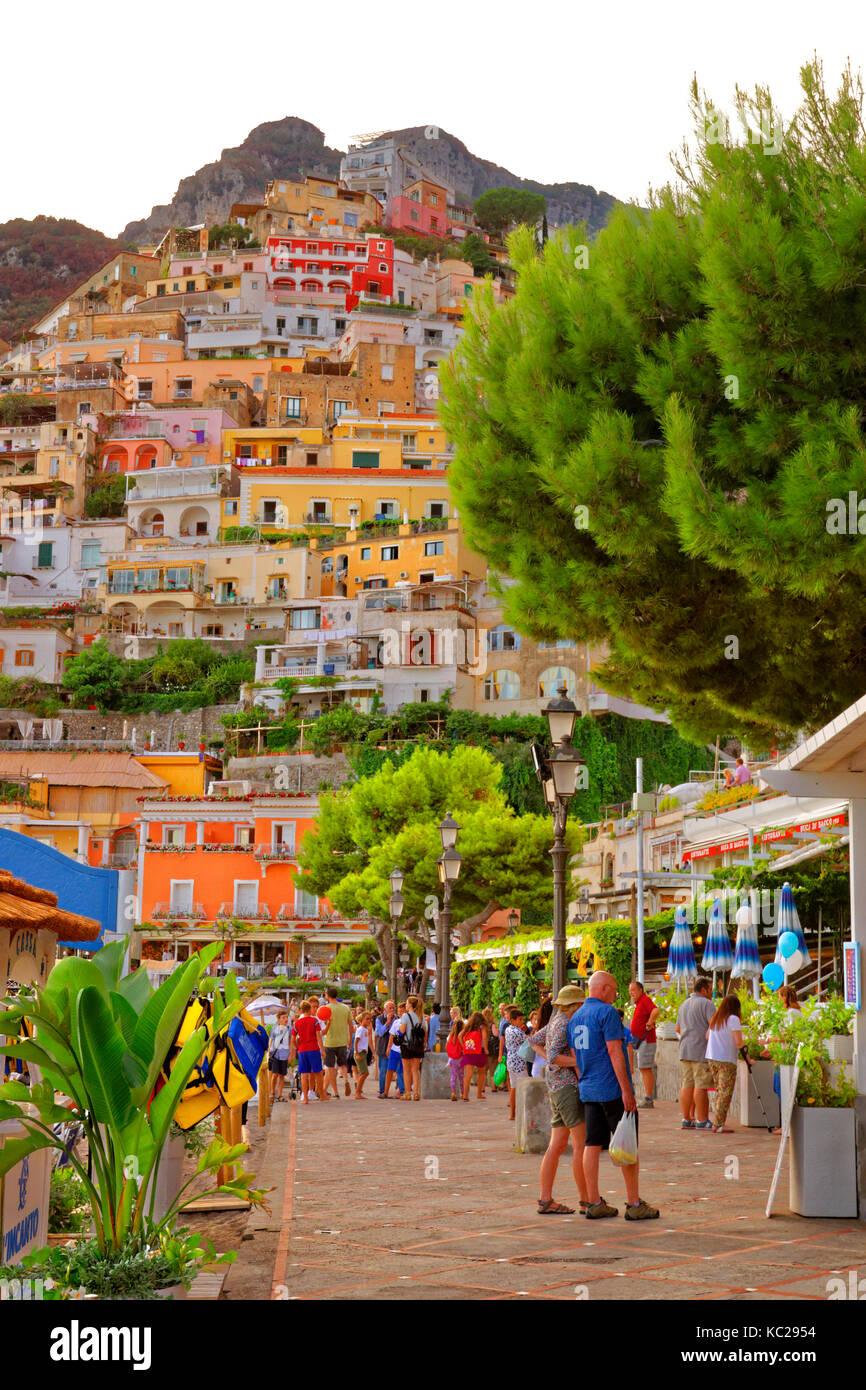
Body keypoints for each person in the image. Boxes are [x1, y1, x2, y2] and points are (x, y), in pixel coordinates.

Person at [568, 970, 659, 1221]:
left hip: (588, 1089)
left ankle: (594, 1201)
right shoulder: (606, 1013)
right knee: (628, 1142)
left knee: (592, 1144)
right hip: (611, 1089)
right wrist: (627, 1091)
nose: (616, 994)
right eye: (615, 989)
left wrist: (585, 1079)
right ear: (605, 988)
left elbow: (576, 1057)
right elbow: (615, 1052)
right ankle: (633, 1202)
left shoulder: (576, 1017)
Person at [529, 986, 590, 1214]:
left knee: (556, 1145)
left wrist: (548, 1060)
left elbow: (533, 1041)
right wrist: (578, 1062)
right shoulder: (567, 1024)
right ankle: (586, 1199)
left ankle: (546, 1199)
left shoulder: (555, 1021)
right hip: (568, 1088)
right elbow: (555, 1056)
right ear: (574, 1005)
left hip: (554, 1087)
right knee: (581, 1146)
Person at [676, 977, 715, 1130]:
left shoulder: (683, 1004)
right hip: (700, 1050)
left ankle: (686, 1119)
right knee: (701, 1085)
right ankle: (702, 1119)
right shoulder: (707, 1003)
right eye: (710, 989)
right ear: (704, 989)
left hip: (684, 1050)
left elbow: (678, 1029)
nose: (712, 992)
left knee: (687, 1084)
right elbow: (714, 1024)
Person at [705, 994, 744, 1134]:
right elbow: (739, 1042)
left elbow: (707, 1036)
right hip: (726, 1059)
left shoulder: (716, 1018)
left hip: (712, 1057)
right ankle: (718, 1124)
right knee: (725, 1092)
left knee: (719, 1091)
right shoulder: (733, 1019)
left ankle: (718, 1121)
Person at [628, 981, 659, 1108]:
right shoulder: (640, 1002)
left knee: (645, 1068)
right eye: (630, 991)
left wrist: (649, 1023)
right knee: (643, 1068)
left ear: (641, 990)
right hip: (641, 1041)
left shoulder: (645, 1000)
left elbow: (656, 1010)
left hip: (646, 1040)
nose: (631, 993)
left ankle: (648, 1098)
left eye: (634, 990)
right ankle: (648, 1097)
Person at [320, 985, 354, 1100]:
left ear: (327, 996)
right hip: (342, 1041)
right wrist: (349, 1041)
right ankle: (345, 1079)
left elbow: (324, 1026)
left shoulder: (325, 1008)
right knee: (342, 1064)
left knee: (330, 1067)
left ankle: (325, 1091)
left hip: (330, 1041)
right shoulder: (345, 1008)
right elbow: (351, 1026)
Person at [291, 1001, 326, 1104]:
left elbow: (293, 1039)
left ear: (301, 1010)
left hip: (302, 1050)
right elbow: (319, 1037)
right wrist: (323, 1050)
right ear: (310, 1009)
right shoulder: (314, 1021)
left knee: (304, 1074)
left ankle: (305, 1098)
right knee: (318, 1073)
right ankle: (321, 1095)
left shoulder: (297, 1023)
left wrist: (298, 1049)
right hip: (314, 1049)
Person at [503, 1005, 530, 1119]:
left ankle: (512, 1113)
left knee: (514, 1087)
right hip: (519, 1061)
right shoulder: (517, 1032)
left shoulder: (508, 1029)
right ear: (513, 1020)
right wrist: (527, 1031)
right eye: (519, 1020)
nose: (521, 1022)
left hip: (511, 1061)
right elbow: (530, 1040)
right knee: (525, 1087)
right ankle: (523, 1113)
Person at [397, 994, 426, 1100]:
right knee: (415, 1070)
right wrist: (424, 1043)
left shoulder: (405, 1016)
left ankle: (408, 1093)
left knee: (406, 1070)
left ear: (410, 1005)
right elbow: (424, 1032)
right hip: (418, 1046)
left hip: (407, 1045)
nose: (406, 1004)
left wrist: (398, 1034)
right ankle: (417, 1093)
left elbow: (402, 1030)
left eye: (407, 1002)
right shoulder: (421, 1016)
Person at [460, 1011, 488, 1101]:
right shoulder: (482, 1027)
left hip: (469, 1052)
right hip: (480, 1051)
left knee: (468, 1074)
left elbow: (460, 1036)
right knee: (481, 1073)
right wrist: (486, 1049)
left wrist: (464, 1046)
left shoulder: (468, 1027)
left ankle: (465, 1095)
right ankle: (479, 1094)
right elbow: (484, 1038)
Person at [267, 1009, 292, 1103]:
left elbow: (290, 1042)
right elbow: (271, 1039)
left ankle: (280, 1095)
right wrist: (269, 1051)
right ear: (278, 1019)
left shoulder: (289, 1029)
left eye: (286, 1017)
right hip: (275, 1054)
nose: (285, 1019)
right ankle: (272, 1092)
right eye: (283, 1018)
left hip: (284, 1054)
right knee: (274, 1074)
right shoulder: (274, 1028)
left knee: (282, 1075)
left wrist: (291, 1054)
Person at [383, 1004, 407, 1098]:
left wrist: (399, 1033)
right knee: (389, 1070)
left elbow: (401, 1033)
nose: (400, 1013)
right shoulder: (396, 1022)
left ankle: (402, 1090)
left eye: (402, 1011)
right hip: (394, 1049)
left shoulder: (407, 1022)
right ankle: (385, 1091)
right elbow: (392, 1035)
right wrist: (388, 1047)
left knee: (401, 1071)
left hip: (403, 1049)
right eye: (399, 1011)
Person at [375, 1001, 395, 1097]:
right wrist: (387, 1022)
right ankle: (383, 1091)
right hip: (383, 1047)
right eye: (389, 1008)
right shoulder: (379, 1019)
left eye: (393, 1008)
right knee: (383, 1070)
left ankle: (401, 1090)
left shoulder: (397, 1019)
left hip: (394, 1048)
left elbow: (398, 1033)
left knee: (397, 1070)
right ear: (385, 1009)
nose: (392, 1010)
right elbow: (380, 1033)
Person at [353, 1011, 372, 1099]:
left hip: (363, 1052)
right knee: (364, 1073)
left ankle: (358, 1091)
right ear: (362, 1020)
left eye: (370, 1019)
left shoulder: (365, 1029)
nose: (369, 1021)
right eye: (367, 1019)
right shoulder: (360, 1029)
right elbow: (356, 1042)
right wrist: (357, 1053)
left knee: (364, 1073)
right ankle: (357, 1092)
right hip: (360, 1052)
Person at [445, 1016, 464, 1101]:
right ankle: (462, 1093)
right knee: (461, 1077)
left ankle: (453, 1092)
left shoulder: (450, 1036)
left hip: (452, 1059)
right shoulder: (462, 1036)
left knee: (453, 1076)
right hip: (461, 1058)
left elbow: (447, 1047)